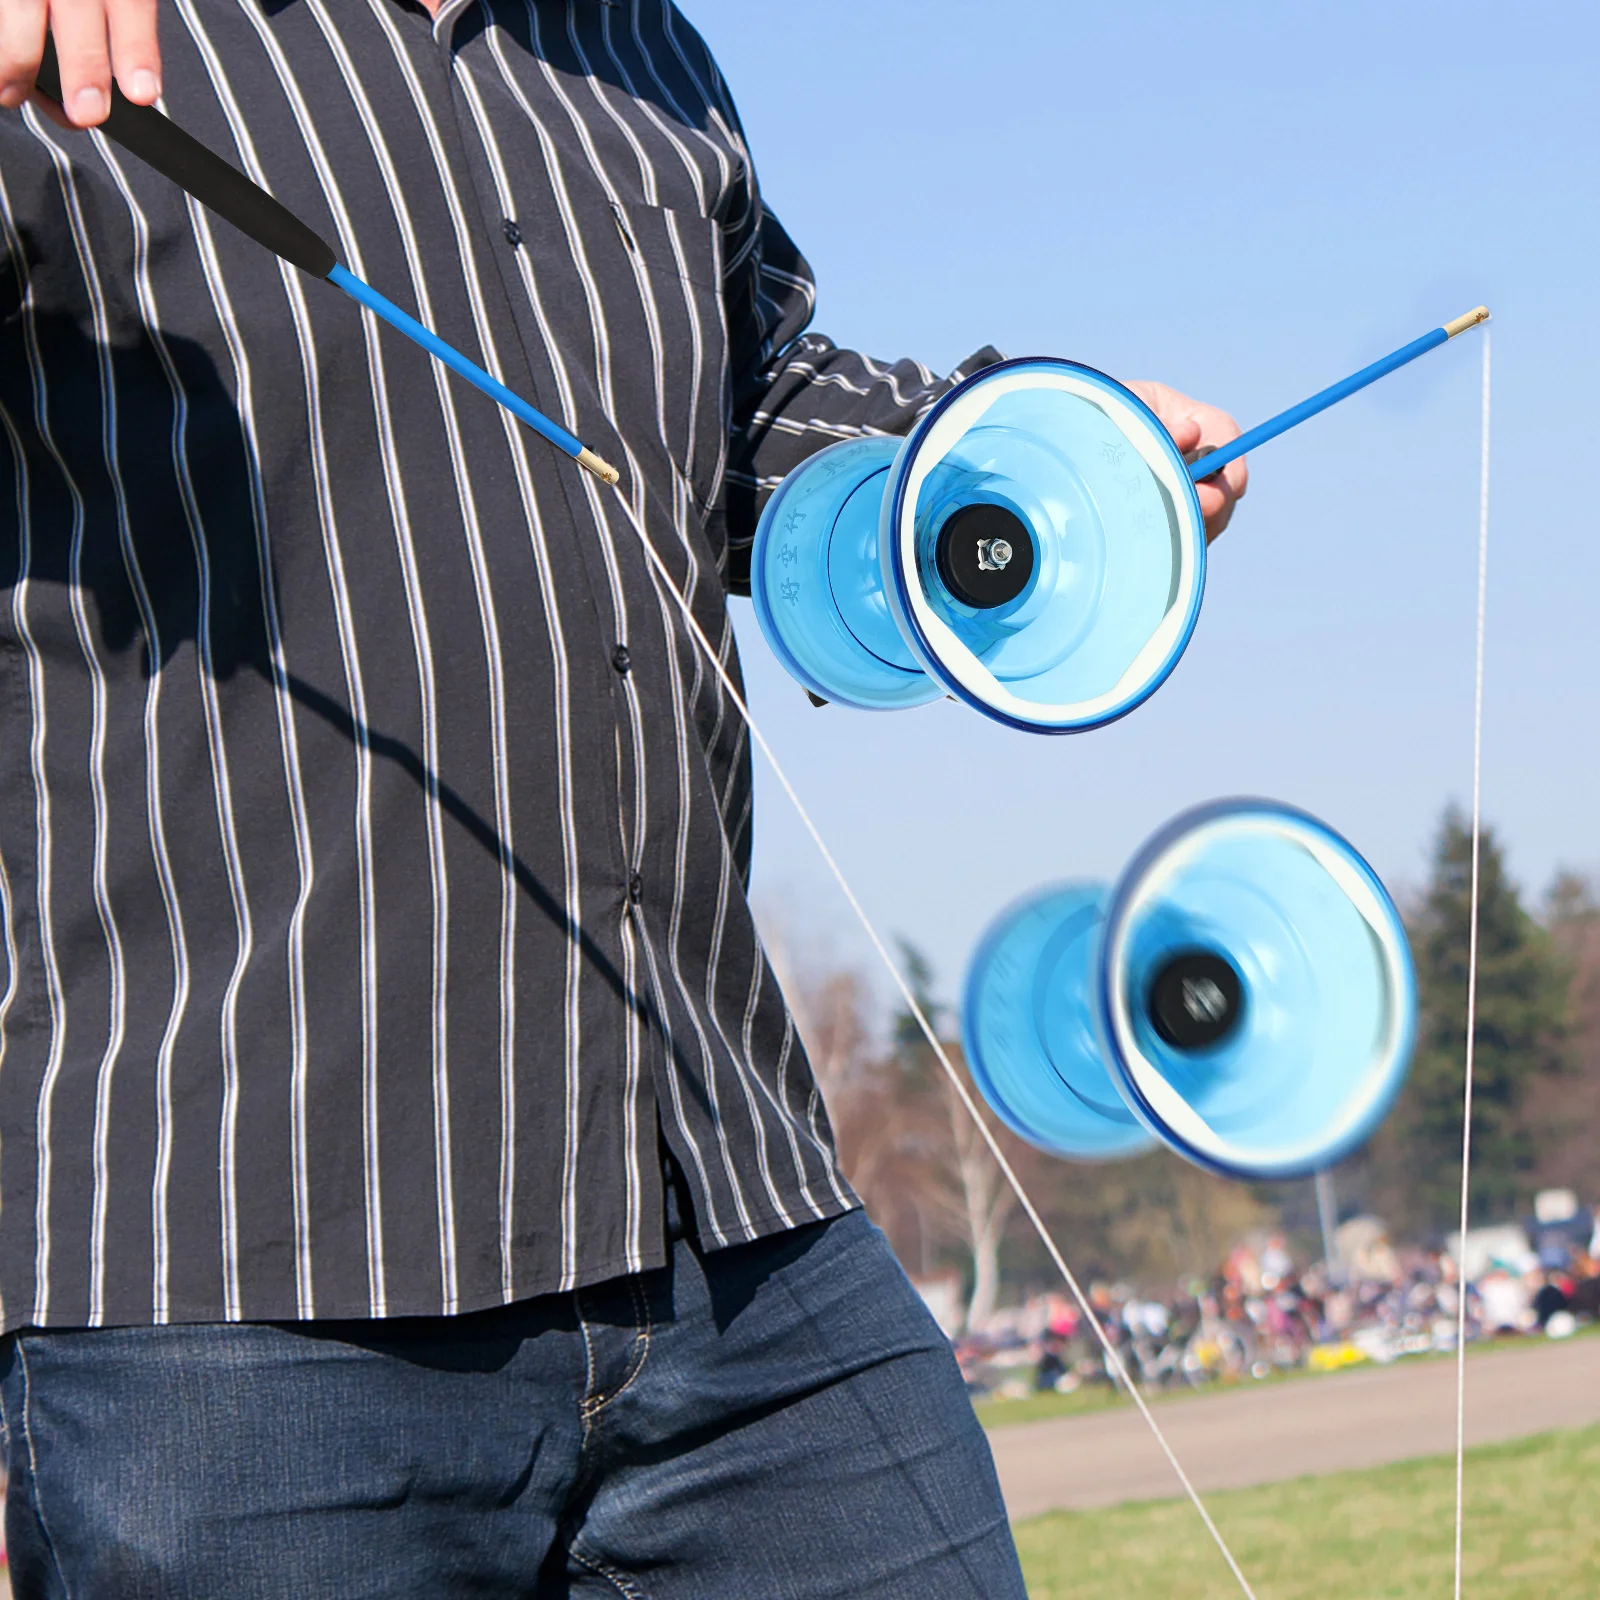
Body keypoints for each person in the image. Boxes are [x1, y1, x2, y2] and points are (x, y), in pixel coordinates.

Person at [0, 1, 1248, 1595]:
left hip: (732, 1221)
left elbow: (749, 414)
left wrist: (1012, 464)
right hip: (235, 1280)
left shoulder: (641, 45)